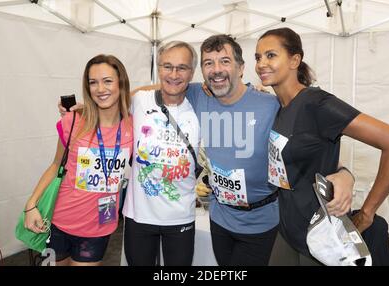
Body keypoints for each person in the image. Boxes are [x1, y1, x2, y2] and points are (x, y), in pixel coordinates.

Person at [183, 34, 355, 266]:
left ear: (241, 68)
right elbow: (167, 84)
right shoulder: (197, 95)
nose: (216, 70)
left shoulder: (271, 105)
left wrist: (345, 173)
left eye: (224, 61)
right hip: (220, 217)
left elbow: (309, 149)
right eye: (208, 63)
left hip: (263, 222)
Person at [254, 27, 389, 265]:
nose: (261, 64)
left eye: (271, 55)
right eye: (258, 57)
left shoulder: (316, 104)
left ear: (294, 60)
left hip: (321, 239)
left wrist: (367, 214)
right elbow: (313, 155)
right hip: (288, 230)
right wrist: (343, 173)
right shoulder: (280, 107)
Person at [24, 54, 133, 266]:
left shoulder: (134, 126)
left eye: (108, 81)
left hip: (98, 227)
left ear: (121, 83)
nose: (100, 89)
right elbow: (56, 165)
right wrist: (31, 204)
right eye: (93, 82)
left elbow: (159, 90)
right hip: (57, 221)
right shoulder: (72, 121)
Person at [122, 41, 201, 266]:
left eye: (182, 68)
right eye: (167, 66)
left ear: (192, 72)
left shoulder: (199, 109)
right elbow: (105, 105)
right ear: (159, 69)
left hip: (180, 218)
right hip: (139, 216)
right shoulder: (139, 100)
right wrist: (80, 109)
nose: (174, 74)